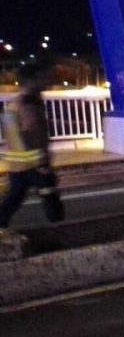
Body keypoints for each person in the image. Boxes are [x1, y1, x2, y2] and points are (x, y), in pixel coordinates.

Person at [0, 65, 65, 230]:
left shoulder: (14, 103)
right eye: (42, 77)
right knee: (49, 195)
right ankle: (60, 231)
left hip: (17, 164)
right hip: (33, 164)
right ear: (32, 80)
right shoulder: (30, 104)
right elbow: (31, 135)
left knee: (13, 199)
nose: (47, 80)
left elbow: (12, 135)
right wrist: (42, 164)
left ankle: (1, 225)